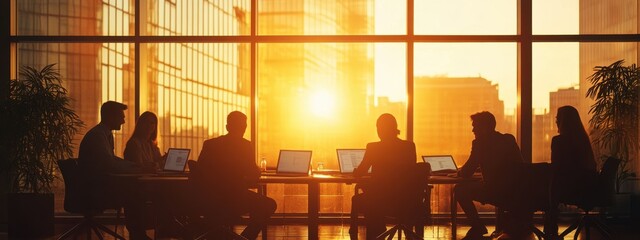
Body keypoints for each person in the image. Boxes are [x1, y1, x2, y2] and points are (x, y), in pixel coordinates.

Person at [192, 111, 276, 240]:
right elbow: (253, 174)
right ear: (245, 127)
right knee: (269, 205)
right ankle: (246, 237)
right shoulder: (245, 146)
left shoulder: (210, 144)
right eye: (244, 126)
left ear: (227, 127)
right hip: (236, 199)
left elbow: (200, 171)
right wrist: (257, 170)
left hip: (209, 200)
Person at [78, 101, 150, 240]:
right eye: (121, 117)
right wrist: (137, 169)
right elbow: (110, 164)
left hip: (94, 187)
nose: (124, 121)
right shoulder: (98, 136)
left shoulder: (103, 134)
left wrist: (136, 167)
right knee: (136, 193)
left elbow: (112, 160)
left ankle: (138, 234)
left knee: (135, 191)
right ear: (111, 117)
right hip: (94, 192)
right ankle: (138, 235)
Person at [453, 111, 525, 240]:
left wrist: (458, 172)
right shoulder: (508, 139)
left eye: (475, 126)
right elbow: (519, 165)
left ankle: (477, 226)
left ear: (484, 127)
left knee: (459, 189)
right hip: (515, 190)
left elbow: (467, 172)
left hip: (494, 190)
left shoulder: (479, 143)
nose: (473, 130)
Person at [350, 113, 417, 240]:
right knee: (373, 197)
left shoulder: (373, 147)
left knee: (358, 199)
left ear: (379, 129)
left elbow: (360, 172)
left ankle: (373, 233)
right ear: (395, 128)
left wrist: (355, 172)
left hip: (380, 201)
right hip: (406, 200)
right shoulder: (409, 146)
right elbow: (411, 172)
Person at [544, 105, 598, 238]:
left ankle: (551, 222)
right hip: (590, 188)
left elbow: (556, 169)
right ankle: (551, 223)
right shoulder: (583, 141)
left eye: (557, 118)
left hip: (572, 189)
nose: (556, 121)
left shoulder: (559, 141)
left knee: (548, 181)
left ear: (563, 121)